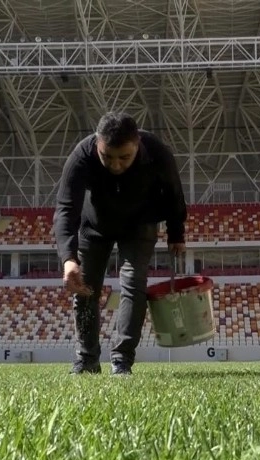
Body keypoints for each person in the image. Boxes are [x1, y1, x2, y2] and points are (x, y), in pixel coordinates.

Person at [53, 111, 188, 376]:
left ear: (137, 143)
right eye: (107, 157)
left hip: (140, 226)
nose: (115, 165)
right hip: (94, 228)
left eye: (124, 158)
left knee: (133, 284)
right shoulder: (81, 155)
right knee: (84, 290)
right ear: (97, 144)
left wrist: (176, 234)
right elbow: (66, 209)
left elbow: (174, 195)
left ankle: (122, 361)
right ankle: (87, 358)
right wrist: (69, 259)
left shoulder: (158, 153)